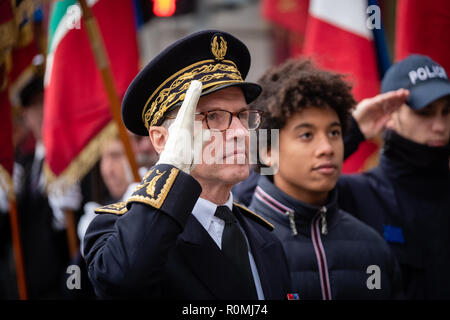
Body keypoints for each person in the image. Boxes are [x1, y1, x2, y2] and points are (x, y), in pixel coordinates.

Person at [83, 30, 291, 299]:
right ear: (161, 139)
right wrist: (170, 168)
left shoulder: (264, 235)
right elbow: (122, 282)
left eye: (242, 115)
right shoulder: (120, 230)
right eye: (213, 117)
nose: (240, 132)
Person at [247, 59, 404, 299]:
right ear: (268, 151)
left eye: (334, 133)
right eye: (307, 135)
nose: (327, 148)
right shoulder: (241, 245)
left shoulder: (372, 246)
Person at [337, 54, 450, 299]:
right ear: (390, 116)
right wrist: (352, 130)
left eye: (446, 111)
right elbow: (263, 189)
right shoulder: (355, 195)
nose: (440, 125)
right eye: (425, 112)